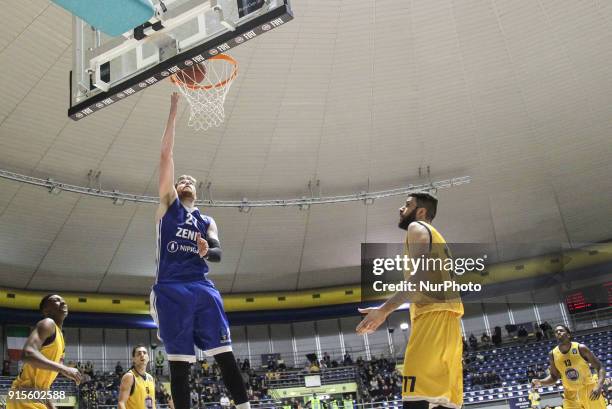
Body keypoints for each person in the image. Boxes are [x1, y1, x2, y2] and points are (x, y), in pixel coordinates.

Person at [151, 92, 250, 409]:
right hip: (171, 288)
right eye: (181, 180)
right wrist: (174, 109)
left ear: (197, 190)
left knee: (225, 354)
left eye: (190, 180)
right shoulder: (168, 207)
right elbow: (166, 156)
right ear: (176, 189)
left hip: (202, 287)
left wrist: (208, 251)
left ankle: (245, 405)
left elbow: (219, 254)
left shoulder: (207, 220)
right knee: (180, 364)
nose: (186, 181)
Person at [356, 192, 464, 409]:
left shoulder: (418, 228)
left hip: (431, 319)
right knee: (444, 402)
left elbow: (420, 277)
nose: (401, 209)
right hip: (450, 323)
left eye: (407, 205)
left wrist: (384, 311)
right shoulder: (438, 237)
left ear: (421, 211)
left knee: (415, 398)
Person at [8, 294, 82, 409]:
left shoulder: (60, 337)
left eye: (63, 300)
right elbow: (27, 354)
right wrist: (64, 369)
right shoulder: (48, 323)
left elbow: (44, 387)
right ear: (46, 310)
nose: (62, 302)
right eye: (56, 300)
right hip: (22, 394)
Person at [532, 324, 606, 409]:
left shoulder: (581, 348)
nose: (558, 332)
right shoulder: (552, 354)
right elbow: (554, 377)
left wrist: (599, 385)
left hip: (589, 390)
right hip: (570, 395)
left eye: (561, 330)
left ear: (568, 334)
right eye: (556, 332)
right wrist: (540, 382)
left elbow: (600, 367)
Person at [118, 345, 166, 409]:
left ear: (148, 358)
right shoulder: (129, 377)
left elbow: (152, 403)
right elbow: (121, 403)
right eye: (139, 353)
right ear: (133, 359)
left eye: (144, 353)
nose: (142, 355)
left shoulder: (151, 378)